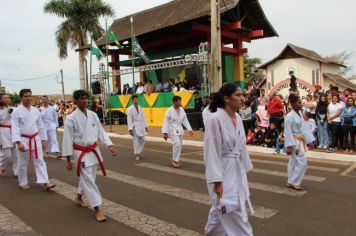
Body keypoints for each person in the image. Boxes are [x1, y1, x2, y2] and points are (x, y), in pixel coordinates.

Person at [204, 83, 253, 236]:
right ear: (226, 98)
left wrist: (245, 166)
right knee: (231, 207)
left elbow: (241, 145)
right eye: (238, 95)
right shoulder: (215, 119)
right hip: (223, 170)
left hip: (236, 167)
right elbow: (211, 151)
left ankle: (211, 233)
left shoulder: (237, 117)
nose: (242, 98)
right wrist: (217, 181)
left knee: (223, 207)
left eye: (242, 95)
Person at [62, 90, 117, 222]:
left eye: (86, 99)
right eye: (81, 99)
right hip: (81, 152)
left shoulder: (93, 115)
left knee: (89, 177)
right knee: (89, 180)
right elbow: (67, 139)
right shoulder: (71, 118)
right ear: (75, 101)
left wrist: (109, 145)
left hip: (93, 150)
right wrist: (68, 160)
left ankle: (79, 196)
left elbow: (100, 131)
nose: (85, 101)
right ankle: (97, 208)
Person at [11, 89, 56, 190]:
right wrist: (18, 142)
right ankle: (23, 182)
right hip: (23, 139)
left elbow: (40, 126)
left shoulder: (35, 110)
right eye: (26, 96)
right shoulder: (16, 111)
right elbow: (15, 128)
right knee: (22, 163)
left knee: (40, 160)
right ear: (21, 98)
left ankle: (45, 181)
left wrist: (43, 140)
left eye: (29, 96)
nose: (28, 98)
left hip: (35, 139)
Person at [284, 94, 315, 190]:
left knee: (293, 161)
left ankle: (290, 181)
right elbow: (287, 131)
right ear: (292, 104)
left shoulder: (300, 114)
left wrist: (309, 141)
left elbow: (304, 129)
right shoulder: (289, 116)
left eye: (301, 102)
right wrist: (289, 146)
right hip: (294, 143)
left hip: (299, 141)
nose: (301, 104)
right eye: (299, 102)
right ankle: (295, 182)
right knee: (302, 162)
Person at [162, 96, 193, 168]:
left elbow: (185, 120)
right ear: (174, 102)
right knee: (177, 143)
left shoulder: (182, 110)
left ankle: (176, 159)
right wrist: (165, 132)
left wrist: (189, 129)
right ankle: (174, 160)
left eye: (180, 101)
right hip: (172, 128)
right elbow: (165, 121)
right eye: (178, 101)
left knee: (180, 145)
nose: (180, 103)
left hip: (179, 128)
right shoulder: (169, 110)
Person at [0, 93, 19, 177]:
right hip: (3, 132)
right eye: (5, 98)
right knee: (7, 154)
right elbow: (1, 121)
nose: (7, 99)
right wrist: (7, 113)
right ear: (1, 100)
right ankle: (1, 167)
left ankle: (17, 172)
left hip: (14, 131)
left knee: (15, 154)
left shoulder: (14, 108)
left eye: (8, 98)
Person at [127, 95, 148, 161]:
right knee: (135, 141)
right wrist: (130, 129)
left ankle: (139, 152)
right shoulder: (130, 108)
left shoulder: (140, 107)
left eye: (137, 99)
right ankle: (137, 155)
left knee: (143, 139)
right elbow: (129, 119)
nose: (137, 101)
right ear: (132, 100)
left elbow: (143, 117)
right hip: (134, 126)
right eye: (135, 99)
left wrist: (146, 126)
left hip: (141, 125)